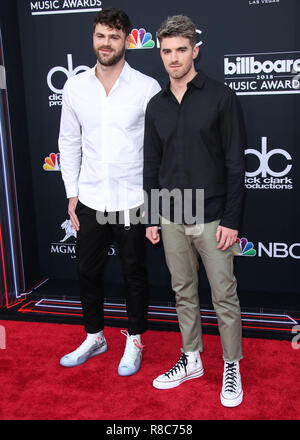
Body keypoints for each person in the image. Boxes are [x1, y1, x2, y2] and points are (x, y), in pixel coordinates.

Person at [143, 15, 246, 407]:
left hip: (213, 216)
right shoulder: (156, 106)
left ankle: (231, 365)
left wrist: (233, 221)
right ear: (161, 52)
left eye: (181, 49)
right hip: (169, 215)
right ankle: (191, 359)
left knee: (224, 295)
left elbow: (237, 164)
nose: (173, 58)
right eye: (166, 50)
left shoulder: (220, 97)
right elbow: (151, 164)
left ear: (195, 50)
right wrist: (152, 215)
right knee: (182, 290)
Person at [58, 8, 161, 376]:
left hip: (132, 198)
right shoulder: (75, 87)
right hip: (89, 198)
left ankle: (134, 340)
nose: (106, 43)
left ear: (127, 41)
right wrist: (72, 192)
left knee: (134, 272)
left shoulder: (147, 87)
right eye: (101, 35)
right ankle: (94, 336)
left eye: (114, 36)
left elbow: (157, 150)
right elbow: (68, 142)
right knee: (88, 271)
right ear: (93, 38)